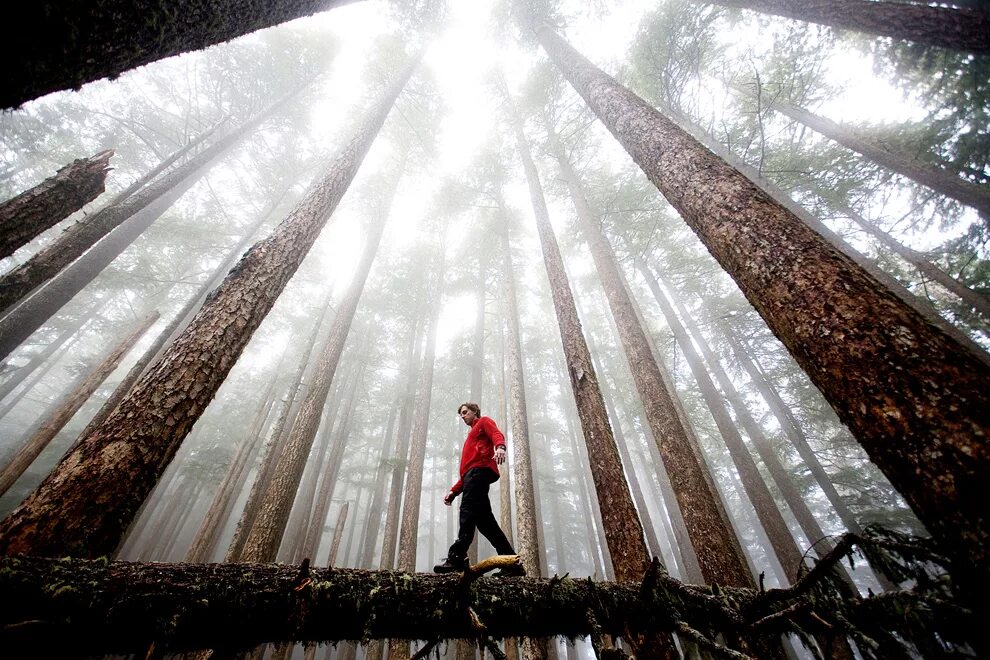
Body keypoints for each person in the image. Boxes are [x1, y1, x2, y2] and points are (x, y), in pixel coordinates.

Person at [433, 402, 525, 576]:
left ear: (475, 412)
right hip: (471, 477)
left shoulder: (484, 422)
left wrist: (500, 447)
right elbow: (466, 471)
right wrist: (454, 491)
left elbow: (496, 434)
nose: (462, 416)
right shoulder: (470, 437)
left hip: (479, 473)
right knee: (487, 524)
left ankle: (457, 557)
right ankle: (512, 564)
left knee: (467, 511)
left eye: (465, 412)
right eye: (460, 414)